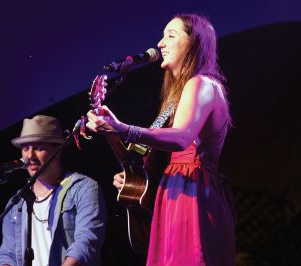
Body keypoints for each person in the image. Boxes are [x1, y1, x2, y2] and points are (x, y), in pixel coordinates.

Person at [87, 13, 236, 266]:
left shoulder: (201, 83)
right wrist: (133, 173)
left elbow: (181, 138)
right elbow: (148, 152)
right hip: (177, 190)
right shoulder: (175, 99)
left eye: (171, 35)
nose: (160, 43)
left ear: (193, 43)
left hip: (192, 191)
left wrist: (123, 128)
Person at [0, 115, 107, 266]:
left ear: (57, 150)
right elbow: (7, 254)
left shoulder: (84, 188)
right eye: (25, 148)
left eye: (39, 147)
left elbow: (86, 243)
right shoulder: (17, 203)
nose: (29, 156)